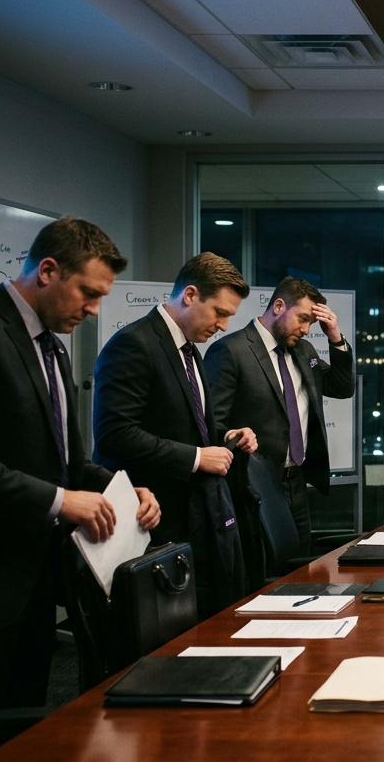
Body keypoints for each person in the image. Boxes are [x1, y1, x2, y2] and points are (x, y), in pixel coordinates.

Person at [0, 217, 160, 761]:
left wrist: (125, 490)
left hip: (30, 577)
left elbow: (67, 462)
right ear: (47, 271)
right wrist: (60, 501)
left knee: (23, 732)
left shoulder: (49, 344)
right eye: (88, 293)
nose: (92, 310)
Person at [93, 253, 259, 616]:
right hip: (151, 520)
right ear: (190, 295)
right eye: (219, 312)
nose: (223, 325)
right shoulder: (134, 344)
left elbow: (191, 423)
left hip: (194, 517)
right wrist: (198, 458)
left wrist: (227, 434)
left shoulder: (188, 349)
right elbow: (114, 435)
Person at [204, 277, 354, 561]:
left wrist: (335, 336)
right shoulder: (231, 351)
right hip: (253, 487)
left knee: (301, 568)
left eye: (311, 323)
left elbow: (342, 387)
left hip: (296, 481)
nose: (306, 329)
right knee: (265, 573)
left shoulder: (304, 351)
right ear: (279, 306)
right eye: (302, 319)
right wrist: (235, 437)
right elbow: (212, 423)